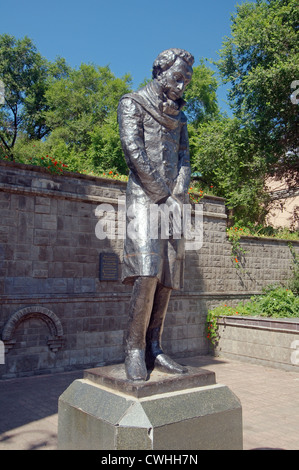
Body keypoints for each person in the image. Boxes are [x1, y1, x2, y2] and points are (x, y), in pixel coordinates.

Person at [117, 48, 194, 381]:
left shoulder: (180, 116)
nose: (182, 86)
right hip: (144, 198)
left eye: (186, 81)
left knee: (167, 277)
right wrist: (162, 193)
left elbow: (185, 157)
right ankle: (133, 348)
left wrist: (178, 193)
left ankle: (155, 347)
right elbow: (132, 150)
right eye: (178, 77)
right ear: (160, 71)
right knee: (147, 272)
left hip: (172, 203)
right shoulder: (132, 103)